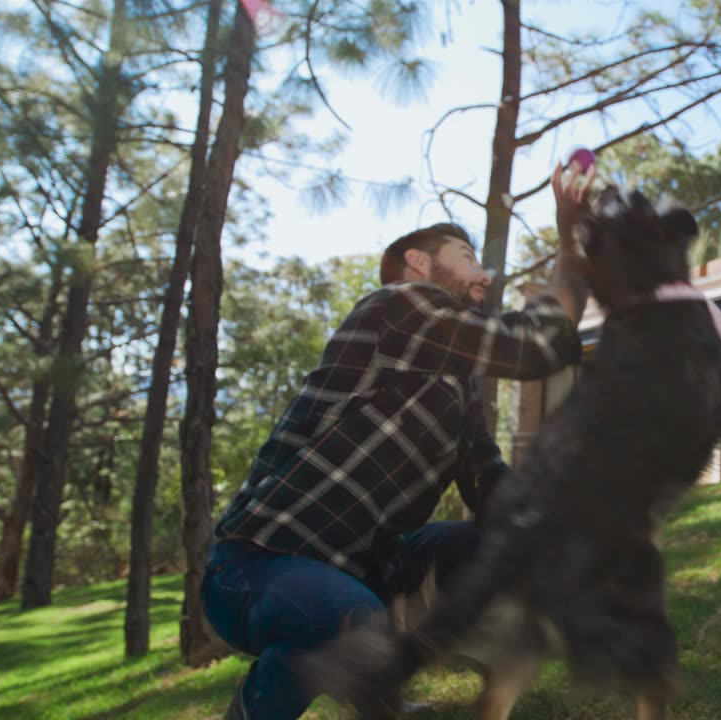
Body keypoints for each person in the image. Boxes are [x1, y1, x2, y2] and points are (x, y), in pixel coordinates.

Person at [203, 164, 595, 720]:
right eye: (467, 258)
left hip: (366, 573)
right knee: (344, 617)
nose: (483, 278)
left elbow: (492, 489)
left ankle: (382, 677)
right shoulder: (396, 307)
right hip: (256, 566)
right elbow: (535, 348)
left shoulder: (458, 389)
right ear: (418, 264)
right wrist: (570, 236)